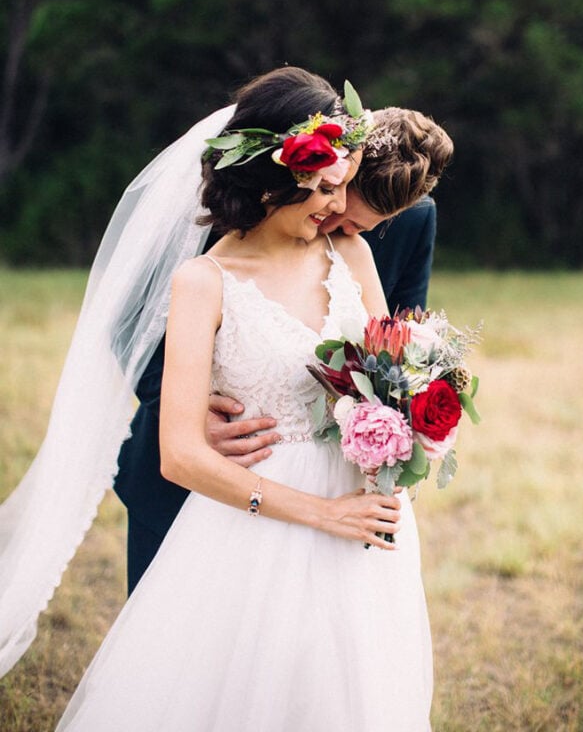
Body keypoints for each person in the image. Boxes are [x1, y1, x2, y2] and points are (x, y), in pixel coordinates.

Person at [47, 66, 433, 730]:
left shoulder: (353, 249)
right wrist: (185, 400)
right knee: (200, 671)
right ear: (274, 177)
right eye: (323, 190)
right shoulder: (201, 269)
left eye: (343, 189)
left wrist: (410, 432)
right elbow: (133, 335)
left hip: (356, 509)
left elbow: (391, 361)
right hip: (236, 499)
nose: (337, 213)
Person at [115, 104, 454, 593]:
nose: (333, 220)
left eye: (361, 226)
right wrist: (187, 413)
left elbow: (401, 347)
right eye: (329, 198)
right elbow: (130, 320)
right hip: (195, 471)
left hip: (332, 488)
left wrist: (401, 438)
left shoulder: (409, 220)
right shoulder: (233, 202)